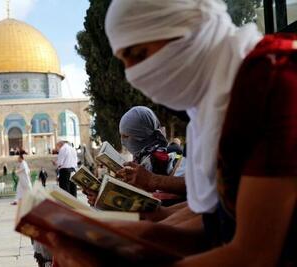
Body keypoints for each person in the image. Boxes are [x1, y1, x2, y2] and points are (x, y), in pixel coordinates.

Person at [47, 1, 297, 266]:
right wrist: (114, 236)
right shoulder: (213, 107)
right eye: (125, 63)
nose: (133, 76)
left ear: (185, 27)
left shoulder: (275, 84)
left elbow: (253, 255)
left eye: (140, 54)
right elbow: (215, 228)